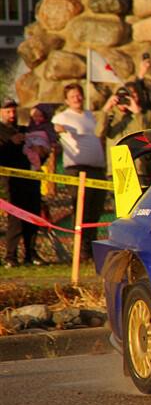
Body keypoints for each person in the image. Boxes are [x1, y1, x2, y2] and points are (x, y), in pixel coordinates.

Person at [52, 83, 106, 261]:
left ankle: (91, 249)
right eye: (73, 96)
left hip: (97, 169)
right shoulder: (62, 117)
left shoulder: (90, 115)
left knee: (95, 211)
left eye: (79, 95)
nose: (77, 98)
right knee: (81, 209)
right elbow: (55, 129)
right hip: (77, 169)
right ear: (67, 99)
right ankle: (80, 251)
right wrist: (60, 130)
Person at [1, 98, 44, 267]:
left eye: (14, 111)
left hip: (30, 178)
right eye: (7, 111)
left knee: (33, 215)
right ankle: (10, 256)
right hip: (10, 181)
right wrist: (12, 143)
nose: (12, 115)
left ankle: (30, 254)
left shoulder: (25, 129)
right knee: (15, 219)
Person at [99, 84, 151, 179]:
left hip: (138, 170)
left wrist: (137, 112)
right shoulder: (110, 115)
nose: (124, 100)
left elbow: (148, 137)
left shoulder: (146, 115)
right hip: (116, 170)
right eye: (120, 97)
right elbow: (99, 133)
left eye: (130, 96)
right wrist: (106, 109)